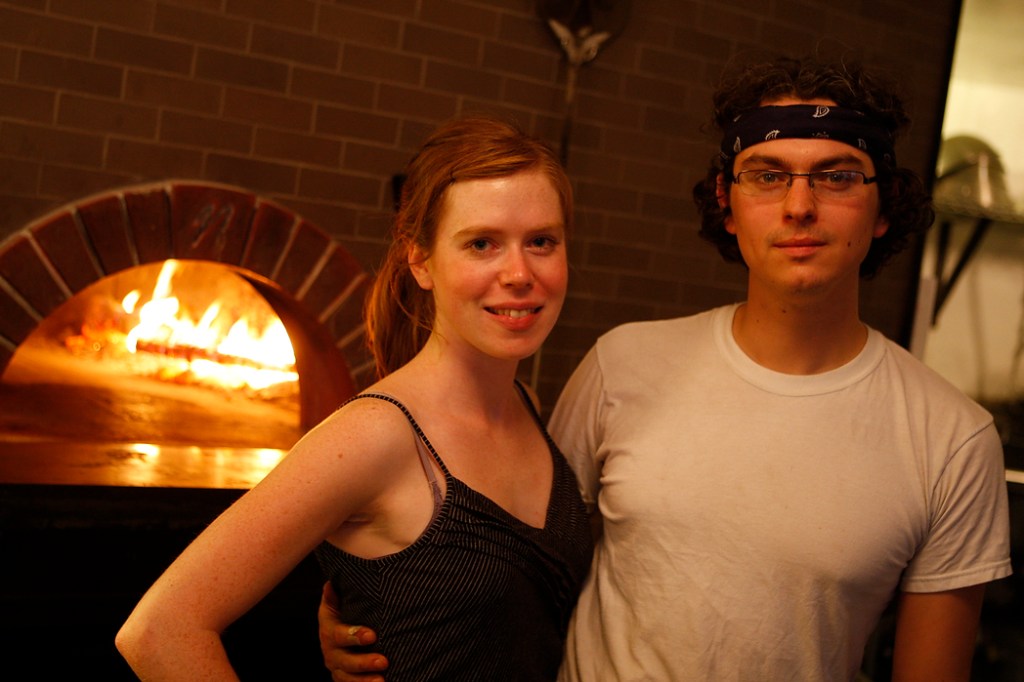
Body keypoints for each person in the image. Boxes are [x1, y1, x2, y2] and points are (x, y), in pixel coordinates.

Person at [318, 56, 1013, 682]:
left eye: (836, 176)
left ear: (884, 203)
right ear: (727, 203)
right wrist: (389, 613)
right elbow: (516, 564)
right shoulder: (624, 364)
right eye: (767, 176)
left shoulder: (952, 439)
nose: (800, 206)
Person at [115, 114, 594, 681]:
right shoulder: (376, 435)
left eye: (541, 242)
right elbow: (160, 629)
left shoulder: (527, 406)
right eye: (482, 244)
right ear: (420, 259)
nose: (519, 273)